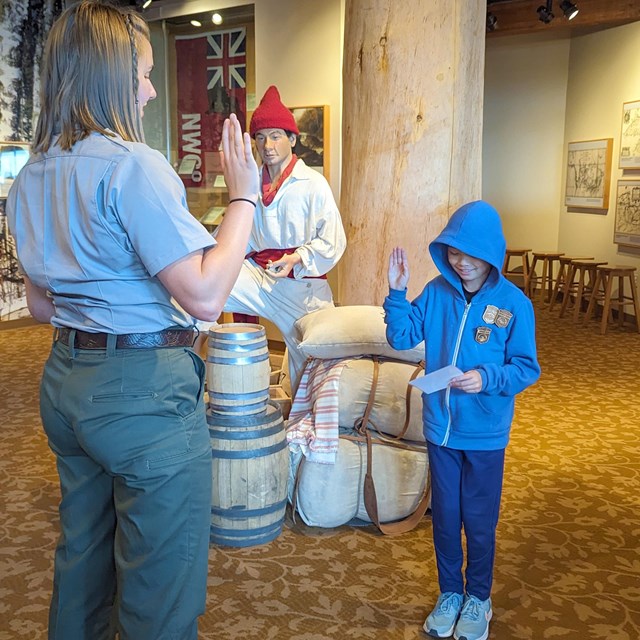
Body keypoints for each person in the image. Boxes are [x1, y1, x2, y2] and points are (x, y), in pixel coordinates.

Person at [5, 3, 259, 639]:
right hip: (142, 395)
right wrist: (244, 198)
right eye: (144, 73)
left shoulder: (30, 177)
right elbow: (204, 296)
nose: (150, 88)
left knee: (83, 561)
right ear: (110, 75)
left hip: (66, 385)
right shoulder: (133, 166)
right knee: (159, 594)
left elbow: (41, 306)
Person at [383, 200, 540, 640]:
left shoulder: (514, 304)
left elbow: (526, 367)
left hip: (486, 434)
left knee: (479, 519)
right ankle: (450, 593)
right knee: (447, 517)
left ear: (492, 254)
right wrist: (397, 293)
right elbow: (401, 336)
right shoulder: (435, 292)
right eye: (454, 252)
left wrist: (486, 377)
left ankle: (479, 598)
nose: (462, 263)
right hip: (441, 431)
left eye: (471, 255)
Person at [197, 85, 346, 394]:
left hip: (302, 286)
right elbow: (238, 232)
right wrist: (202, 251)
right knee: (199, 299)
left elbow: (333, 240)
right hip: (259, 276)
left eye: (276, 136)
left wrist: (298, 258)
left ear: (292, 139)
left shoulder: (312, 184)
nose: (267, 145)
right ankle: (192, 378)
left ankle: (303, 418)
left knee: (310, 360)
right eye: (260, 137)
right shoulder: (251, 183)